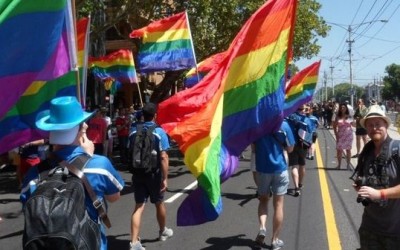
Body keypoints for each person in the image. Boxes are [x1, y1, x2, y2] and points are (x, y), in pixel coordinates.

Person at [20, 96, 124, 250]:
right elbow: (114, 197)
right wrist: (87, 158)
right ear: (81, 129)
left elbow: (28, 208)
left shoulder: (34, 174)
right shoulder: (99, 165)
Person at [353, 104, 400, 249]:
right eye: (370, 125)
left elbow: (379, 192)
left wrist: (380, 194)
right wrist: (362, 187)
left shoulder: (397, 150)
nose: (374, 128)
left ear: (386, 125)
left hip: (395, 231)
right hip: (369, 228)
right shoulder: (366, 152)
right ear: (366, 129)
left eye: (378, 124)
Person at [129, 102, 173, 250]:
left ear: (142, 114)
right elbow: (164, 157)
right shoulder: (159, 132)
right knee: (159, 203)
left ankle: (134, 242)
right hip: (154, 174)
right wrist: (165, 178)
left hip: (138, 172)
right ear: (155, 115)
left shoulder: (133, 130)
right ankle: (162, 231)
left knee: (139, 206)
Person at [253, 120, 295, 249]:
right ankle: (275, 240)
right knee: (278, 205)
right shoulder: (284, 125)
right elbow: (290, 148)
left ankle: (262, 227)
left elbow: (253, 147)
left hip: (262, 169)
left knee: (263, 200)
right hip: (279, 169)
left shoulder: (257, 123)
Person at [287, 105, 312, 196]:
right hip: (303, 144)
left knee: (294, 166)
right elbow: (310, 132)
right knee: (302, 165)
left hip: (292, 142)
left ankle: (296, 187)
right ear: (303, 109)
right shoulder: (306, 119)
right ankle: (300, 184)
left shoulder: (290, 117)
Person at [333, 103, 354, 169]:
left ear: (346, 108)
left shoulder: (349, 116)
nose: (342, 108)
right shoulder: (338, 117)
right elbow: (334, 126)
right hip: (340, 135)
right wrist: (336, 134)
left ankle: (348, 165)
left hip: (348, 135)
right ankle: (339, 165)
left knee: (348, 150)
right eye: (341, 107)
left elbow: (354, 124)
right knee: (339, 150)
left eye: (344, 107)